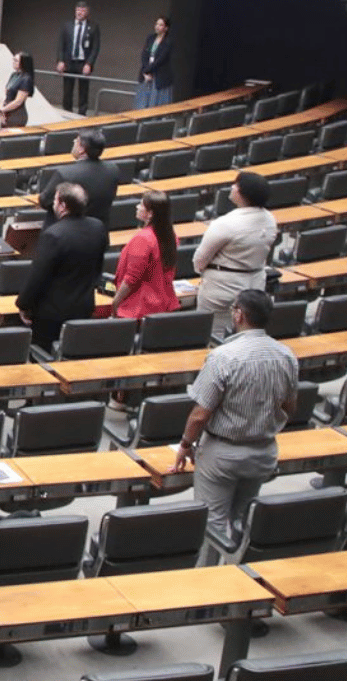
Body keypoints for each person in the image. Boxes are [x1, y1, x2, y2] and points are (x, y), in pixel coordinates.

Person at [172, 290, 299, 553]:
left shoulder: (223, 357)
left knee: (212, 524)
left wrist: (186, 444)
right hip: (263, 451)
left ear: (239, 314)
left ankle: (212, 583)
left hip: (223, 453)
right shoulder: (286, 355)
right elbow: (290, 405)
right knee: (242, 518)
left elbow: (200, 414)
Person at [17, 182, 107, 350]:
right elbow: (98, 267)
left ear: (63, 206)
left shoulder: (53, 234)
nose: (53, 203)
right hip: (84, 306)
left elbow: (38, 275)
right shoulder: (98, 227)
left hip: (51, 313)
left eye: (55, 200)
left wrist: (23, 304)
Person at [194, 170, 279, 339]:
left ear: (243, 194)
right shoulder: (270, 219)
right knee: (247, 335)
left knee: (212, 335)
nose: (232, 187)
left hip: (221, 287)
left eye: (236, 185)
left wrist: (202, 271)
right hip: (254, 283)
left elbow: (200, 259)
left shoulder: (226, 223)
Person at [114, 190, 181, 320]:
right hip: (163, 304)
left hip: (139, 307)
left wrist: (115, 302)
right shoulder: (170, 235)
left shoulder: (143, 239)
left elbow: (131, 278)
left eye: (141, 204)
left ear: (150, 214)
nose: (137, 207)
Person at [39, 129, 118, 229]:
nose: (73, 142)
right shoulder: (113, 170)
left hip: (65, 231)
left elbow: (45, 201)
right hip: (98, 230)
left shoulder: (65, 174)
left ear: (82, 149)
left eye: (76, 141)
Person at [57, 1, 101, 115]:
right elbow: (61, 45)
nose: (79, 12)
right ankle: (67, 113)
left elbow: (95, 47)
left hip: (83, 63)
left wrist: (89, 64)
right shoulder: (67, 25)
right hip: (69, 62)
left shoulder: (93, 27)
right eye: (78, 10)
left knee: (83, 91)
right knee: (67, 91)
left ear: (87, 12)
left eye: (82, 10)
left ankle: (81, 114)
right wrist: (60, 61)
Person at [135, 16, 175, 109]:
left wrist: (148, 70)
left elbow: (161, 59)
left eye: (161, 25)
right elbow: (144, 54)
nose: (157, 26)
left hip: (159, 74)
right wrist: (145, 71)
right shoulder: (150, 38)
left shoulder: (168, 41)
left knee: (156, 102)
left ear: (166, 28)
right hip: (146, 73)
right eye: (156, 24)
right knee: (142, 100)